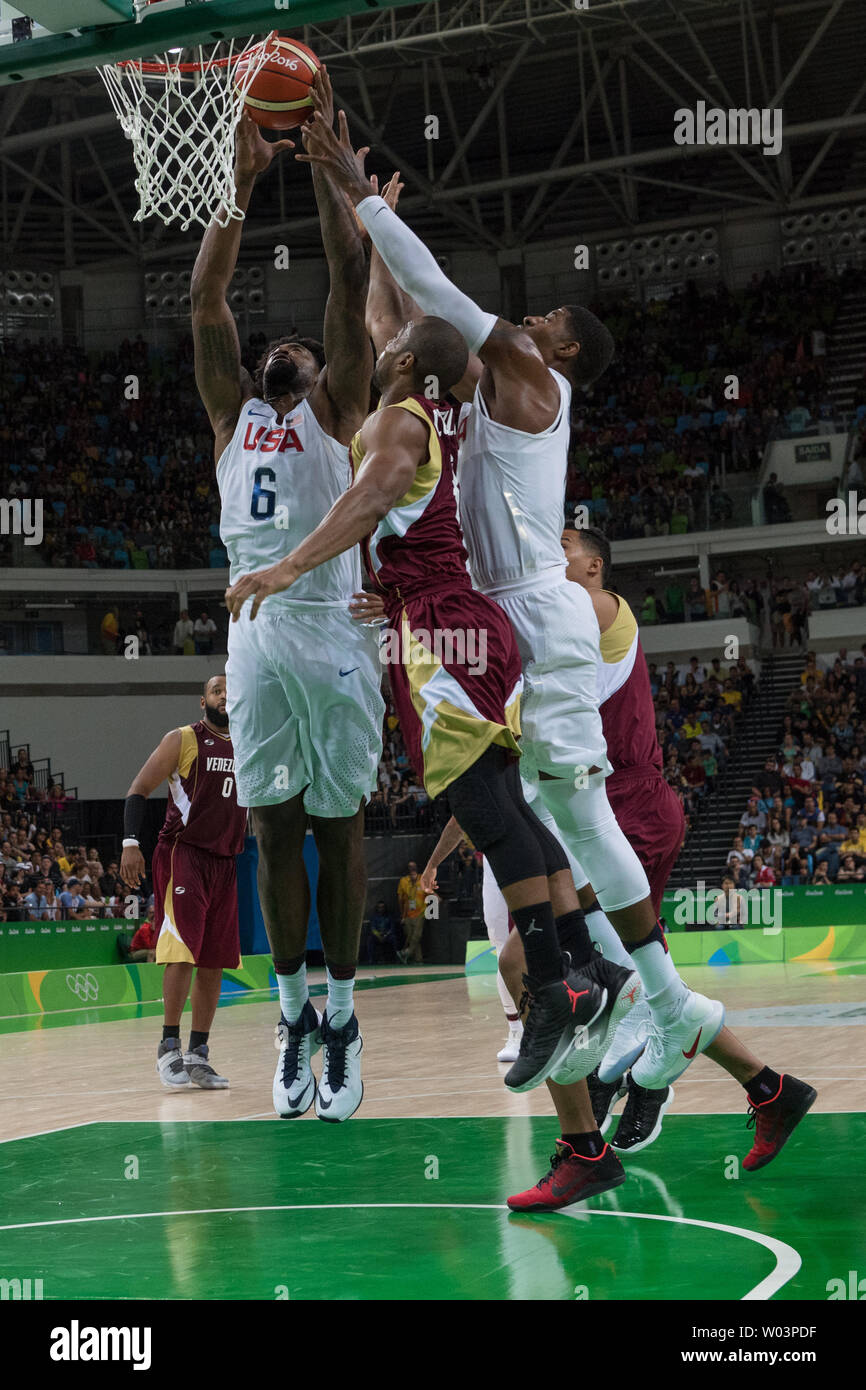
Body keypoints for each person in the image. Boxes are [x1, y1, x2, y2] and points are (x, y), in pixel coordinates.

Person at [309, 116, 726, 1101]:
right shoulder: (489, 382)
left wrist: (359, 198)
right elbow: (418, 329)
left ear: (565, 345)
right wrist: (371, 240)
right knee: (542, 815)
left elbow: (447, 301)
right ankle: (595, 992)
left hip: (534, 613)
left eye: (545, 316)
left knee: (576, 820)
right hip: (493, 614)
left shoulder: (535, 374)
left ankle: (645, 1000)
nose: (529, 318)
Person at [224, 305, 622, 1147]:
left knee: (485, 811)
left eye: (393, 347)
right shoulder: (442, 406)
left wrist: (291, 563)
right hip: (457, 618)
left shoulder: (399, 420)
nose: (383, 347)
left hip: (444, 632)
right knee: (510, 805)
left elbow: (369, 501)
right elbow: (397, 324)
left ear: (405, 365)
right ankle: (580, 968)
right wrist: (367, 223)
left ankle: (553, 987)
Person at [193, 73, 385, 1123]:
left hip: (334, 626)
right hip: (257, 631)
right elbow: (204, 304)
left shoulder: (341, 404)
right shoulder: (231, 416)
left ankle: (345, 1012)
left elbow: (348, 277)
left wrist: (325, 179)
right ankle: (292, 1017)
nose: (280, 347)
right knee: (272, 827)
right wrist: (233, 188)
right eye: (273, 349)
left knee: (341, 827)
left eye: (296, 349)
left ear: (319, 371)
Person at [119, 674, 247, 1091]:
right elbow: (138, 789)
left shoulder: (249, 743)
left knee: (214, 960)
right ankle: (168, 1047)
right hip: (183, 854)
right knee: (181, 952)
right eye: (217, 691)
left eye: (231, 689)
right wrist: (130, 843)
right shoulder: (183, 739)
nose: (225, 695)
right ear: (202, 702)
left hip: (226, 861)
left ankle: (198, 1053)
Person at [396, 861, 426, 964]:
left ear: (417, 867)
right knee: (411, 937)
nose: (412, 868)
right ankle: (418, 959)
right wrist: (402, 916)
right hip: (407, 913)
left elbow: (429, 891)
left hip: (420, 912)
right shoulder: (403, 881)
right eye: (410, 867)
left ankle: (406, 952)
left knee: (416, 935)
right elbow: (400, 899)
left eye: (414, 866)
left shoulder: (422, 878)